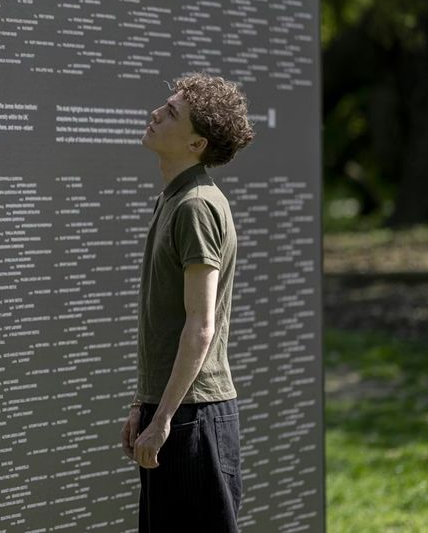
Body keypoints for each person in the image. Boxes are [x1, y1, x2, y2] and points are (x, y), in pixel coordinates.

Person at [120, 73, 255, 532]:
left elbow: (201, 326)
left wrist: (163, 420)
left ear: (196, 143)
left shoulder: (196, 205)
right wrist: (145, 402)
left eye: (172, 112)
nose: (156, 114)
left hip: (192, 418)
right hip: (175, 411)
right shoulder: (174, 199)